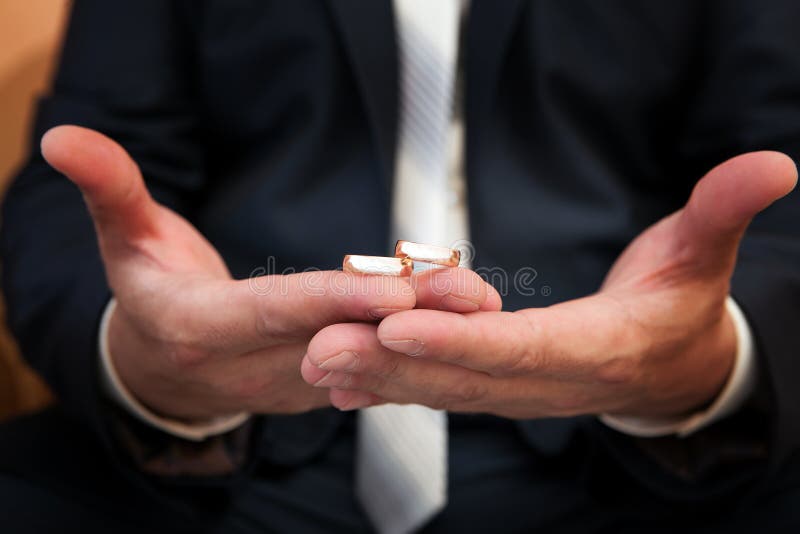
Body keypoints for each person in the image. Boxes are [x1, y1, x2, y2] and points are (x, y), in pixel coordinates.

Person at [1, 1, 799, 532]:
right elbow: (83, 179)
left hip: (638, 450)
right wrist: (143, 356)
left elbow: (779, 173)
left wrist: (714, 356)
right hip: (228, 447)